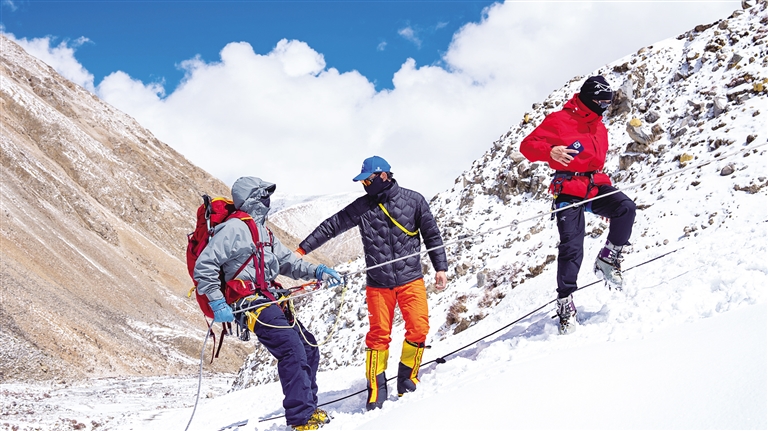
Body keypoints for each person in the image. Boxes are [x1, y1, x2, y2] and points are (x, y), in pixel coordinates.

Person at [295, 156, 448, 410]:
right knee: (378, 337)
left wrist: (440, 267)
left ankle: (407, 378)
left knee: (419, 328)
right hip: (378, 283)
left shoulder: (414, 201)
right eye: (362, 182)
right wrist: (302, 250)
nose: (365, 185)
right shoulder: (362, 207)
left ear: (383, 176)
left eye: (368, 180)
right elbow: (332, 226)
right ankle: (376, 391)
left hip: (411, 279)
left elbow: (432, 235)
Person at [194, 176, 342, 431]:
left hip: (268, 298)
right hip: (248, 302)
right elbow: (204, 266)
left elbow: (288, 262)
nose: (267, 200)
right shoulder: (233, 229)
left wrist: (317, 271)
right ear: (251, 199)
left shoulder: (262, 231)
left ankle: (309, 409)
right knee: (292, 350)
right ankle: (301, 419)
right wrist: (217, 302)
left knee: (308, 347)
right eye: (263, 195)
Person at [519, 76, 637, 335]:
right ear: (588, 98)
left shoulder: (599, 127)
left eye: (607, 103)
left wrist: (605, 201)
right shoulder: (559, 120)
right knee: (572, 246)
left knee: (625, 208)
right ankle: (565, 302)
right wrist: (549, 151)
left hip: (594, 186)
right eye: (600, 102)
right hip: (568, 189)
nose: (604, 107)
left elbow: (596, 163)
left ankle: (608, 259)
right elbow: (527, 146)